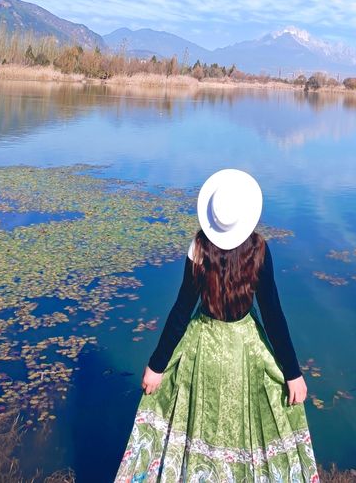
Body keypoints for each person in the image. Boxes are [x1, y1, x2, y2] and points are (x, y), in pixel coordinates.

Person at [114, 168, 318, 482]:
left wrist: (157, 365)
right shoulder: (259, 251)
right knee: (243, 422)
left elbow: (182, 311)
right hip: (244, 351)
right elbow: (273, 316)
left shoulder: (199, 248)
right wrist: (292, 374)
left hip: (202, 346)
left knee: (200, 420)